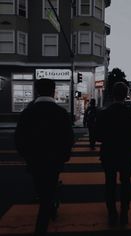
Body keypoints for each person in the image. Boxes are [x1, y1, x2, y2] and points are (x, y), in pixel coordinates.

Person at [15, 78, 74, 236]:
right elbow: (69, 139)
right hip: (54, 161)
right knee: (47, 192)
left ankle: (43, 222)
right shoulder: (61, 113)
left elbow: (19, 139)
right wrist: (64, 156)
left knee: (42, 192)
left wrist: (27, 155)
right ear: (53, 91)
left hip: (35, 161)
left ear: (37, 91)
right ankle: (49, 211)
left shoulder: (28, 113)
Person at [95, 82, 131, 226]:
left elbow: (98, 136)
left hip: (109, 153)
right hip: (127, 154)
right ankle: (124, 213)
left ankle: (112, 213)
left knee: (110, 183)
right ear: (125, 94)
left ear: (112, 94)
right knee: (126, 182)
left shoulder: (103, 113)